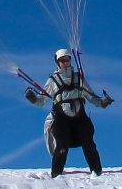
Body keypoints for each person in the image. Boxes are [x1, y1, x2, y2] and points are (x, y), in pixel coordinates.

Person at [26, 49, 112, 177]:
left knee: (88, 143)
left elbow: (90, 95)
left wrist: (102, 103)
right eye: (62, 60)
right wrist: (32, 98)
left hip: (80, 117)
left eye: (67, 60)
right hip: (62, 118)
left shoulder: (78, 78)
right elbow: (41, 100)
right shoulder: (53, 80)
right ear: (57, 62)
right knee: (62, 145)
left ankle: (97, 172)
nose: (65, 63)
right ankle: (56, 175)